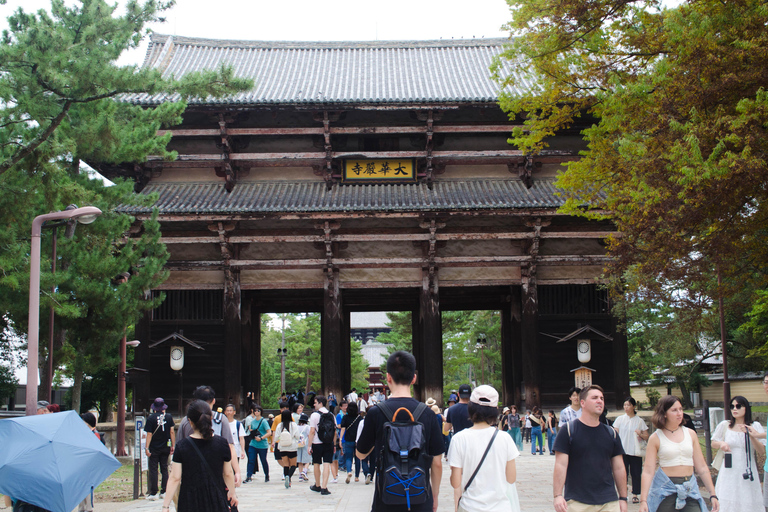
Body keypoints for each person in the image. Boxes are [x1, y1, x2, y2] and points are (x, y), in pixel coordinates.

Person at [356, 351, 444, 512]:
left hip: (386, 498)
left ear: (388, 377)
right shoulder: (428, 414)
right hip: (420, 498)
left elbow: (361, 454)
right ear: (414, 378)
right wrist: (435, 496)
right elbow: (437, 463)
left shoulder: (375, 413)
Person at [552, 385, 628, 512]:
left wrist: (623, 498)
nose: (600, 401)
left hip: (609, 501)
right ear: (583, 403)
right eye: (594, 398)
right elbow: (560, 465)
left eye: (602, 398)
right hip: (578, 501)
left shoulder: (611, 433)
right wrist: (558, 495)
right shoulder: (569, 430)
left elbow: (619, 467)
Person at [638, 395, 718, 512]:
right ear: (664, 413)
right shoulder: (656, 437)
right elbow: (648, 470)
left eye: (680, 409)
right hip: (666, 487)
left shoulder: (690, 434)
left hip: (689, 487)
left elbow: (702, 467)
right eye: (674, 410)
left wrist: (713, 494)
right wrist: (643, 500)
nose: (679, 413)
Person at [448, 385, 519, 512]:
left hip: (470, 506)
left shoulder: (458, 439)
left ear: (471, 408)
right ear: (495, 410)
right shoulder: (505, 438)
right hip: (500, 507)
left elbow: (455, 482)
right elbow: (511, 478)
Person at [161, 400, 237, 512]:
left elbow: (175, 478)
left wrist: (165, 506)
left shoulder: (182, 446)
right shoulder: (222, 443)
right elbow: (228, 473)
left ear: (189, 421)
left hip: (189, 500)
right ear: (211, 419)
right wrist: (232, 492)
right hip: (216, 498)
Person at [176, 385, 240, 486]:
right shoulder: (221, 419)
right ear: (213, 401)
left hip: (191, 475)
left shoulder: (186, 420)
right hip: (217, 474)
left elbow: (178, 449)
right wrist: (237, 471)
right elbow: (230, 447)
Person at [710, 395, 764, 512]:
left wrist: (752, 436)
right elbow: (713, 442)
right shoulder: (725, 425)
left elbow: (761, 451)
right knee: (727, 496)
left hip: (747, 468)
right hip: (728, 468)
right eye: (732, 406)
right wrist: (721, 444)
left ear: (746, 408)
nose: (735, 409)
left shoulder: (755, 426)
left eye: (738, 406)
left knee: (747, 497)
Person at [612, 397, 649, 504]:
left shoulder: (639, 421)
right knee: (622, 473)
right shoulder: (620, 419)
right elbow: (615, 432)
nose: (626, 407)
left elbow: (646, 435)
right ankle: (623, 494)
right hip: (622, 451)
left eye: (628, 405)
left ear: (633, 406)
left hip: (635, 452)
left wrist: (640, 433)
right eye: (625, 405)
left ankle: (635, 494)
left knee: (636, 473)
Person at [145, 398, 176, 500]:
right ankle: (164, 490)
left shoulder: (150, 419)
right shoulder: (169, 417)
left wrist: (146, 447)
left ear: (154, 408)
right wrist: (173, 445)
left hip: (154, 447)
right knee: (164, 468)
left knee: (154, 469)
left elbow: (149, 434)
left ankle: (154, 492)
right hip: (165, 446)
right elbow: (172, 431)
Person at [308, 394, 337, 495]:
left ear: (320, 403)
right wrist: (333, 444)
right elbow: (335, 431)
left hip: (317, 443)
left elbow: (312, 431)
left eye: (315, 402)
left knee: (316, 463)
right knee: (326, 464)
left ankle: (317, 485)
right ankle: (324, 487)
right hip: (328, 443)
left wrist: (309, 445)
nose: (314, 404)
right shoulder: (331, 415)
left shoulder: (314, 415)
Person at [274, 409, 301, 488]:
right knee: (293, 465)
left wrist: (281, 437)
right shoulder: (293, 425)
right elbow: (297, 436)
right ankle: (288, 477)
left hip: (282, 447)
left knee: (286, 465)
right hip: (292, 446)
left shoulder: (280, 425)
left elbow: (276, 437)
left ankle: (286, 477)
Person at [244, 403, 270, 483]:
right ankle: (248, 476)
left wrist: (261, 438)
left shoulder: (264, 421)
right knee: (251, 459)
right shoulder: (252, 421)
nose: (256, 412)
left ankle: (266, 475)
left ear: (261, 412)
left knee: (263, 460)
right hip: (253, 443)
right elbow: (251, 430)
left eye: (258, 411)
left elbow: (269, 432)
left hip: (262, 444)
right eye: (255, 411)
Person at [340, 401, 364, 483]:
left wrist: (340, 439)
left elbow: (343, 429)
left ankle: (349, 471)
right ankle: (357, 476)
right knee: (357, 458)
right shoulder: (359, 418)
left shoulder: (345, 417)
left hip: (348, 440)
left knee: (348, 457)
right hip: (358, 441)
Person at [296, 413, 311, 481]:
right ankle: (304, 471)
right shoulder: (307, 427)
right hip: (306, 444)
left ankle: (300, 475)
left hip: (298, 444)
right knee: (308, 459)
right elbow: (309, 436)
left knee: (299, 461)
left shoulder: (296, 426)